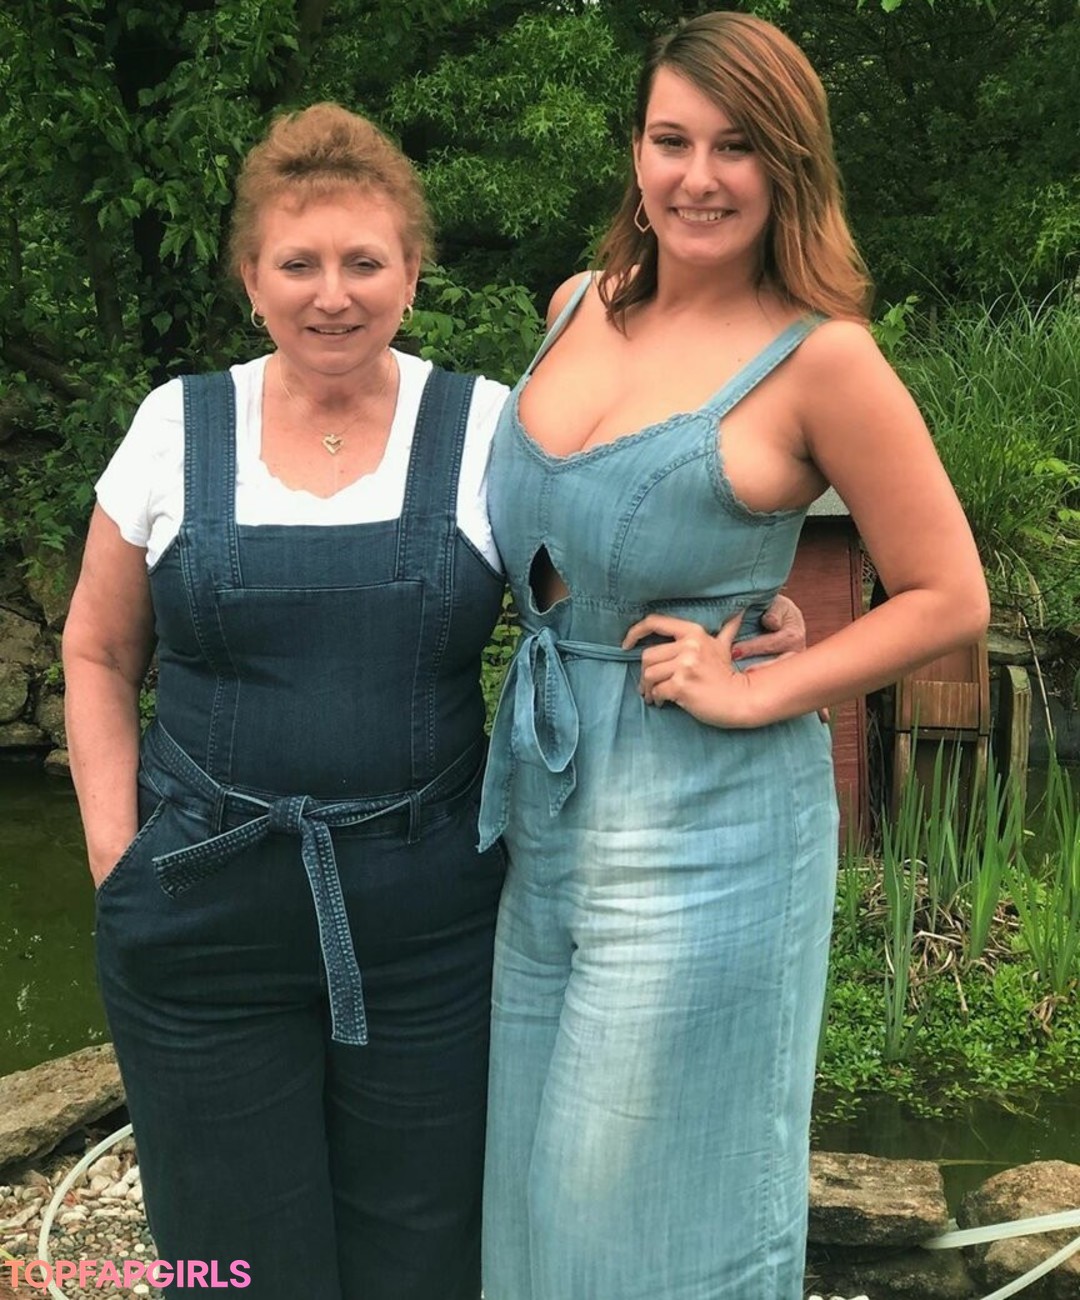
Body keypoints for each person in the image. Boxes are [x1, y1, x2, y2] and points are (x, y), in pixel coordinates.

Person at [61, 102, 803, 1299]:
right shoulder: (172, 428)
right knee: (229, 1263)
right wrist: (115, 856)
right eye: (298, 264)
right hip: (199, 925)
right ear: (251, 278)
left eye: (364, 262)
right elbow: (97, 650)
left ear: (412, 274)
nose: (332, 295)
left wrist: (743, 608)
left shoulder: (487, 428)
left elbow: (597, 592)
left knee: (425, 1253)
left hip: (429, 937)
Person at [476, 12, 989, 1300]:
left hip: (703, 832)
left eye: (738, 146)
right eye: (672, 140)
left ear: (790, 166)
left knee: (640, 1227)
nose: (697, 176)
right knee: (526, 1203)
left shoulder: (824, 360)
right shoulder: (573, 306)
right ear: (635, 153)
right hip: (543, 816)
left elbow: (949, 595)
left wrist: (762, 687)